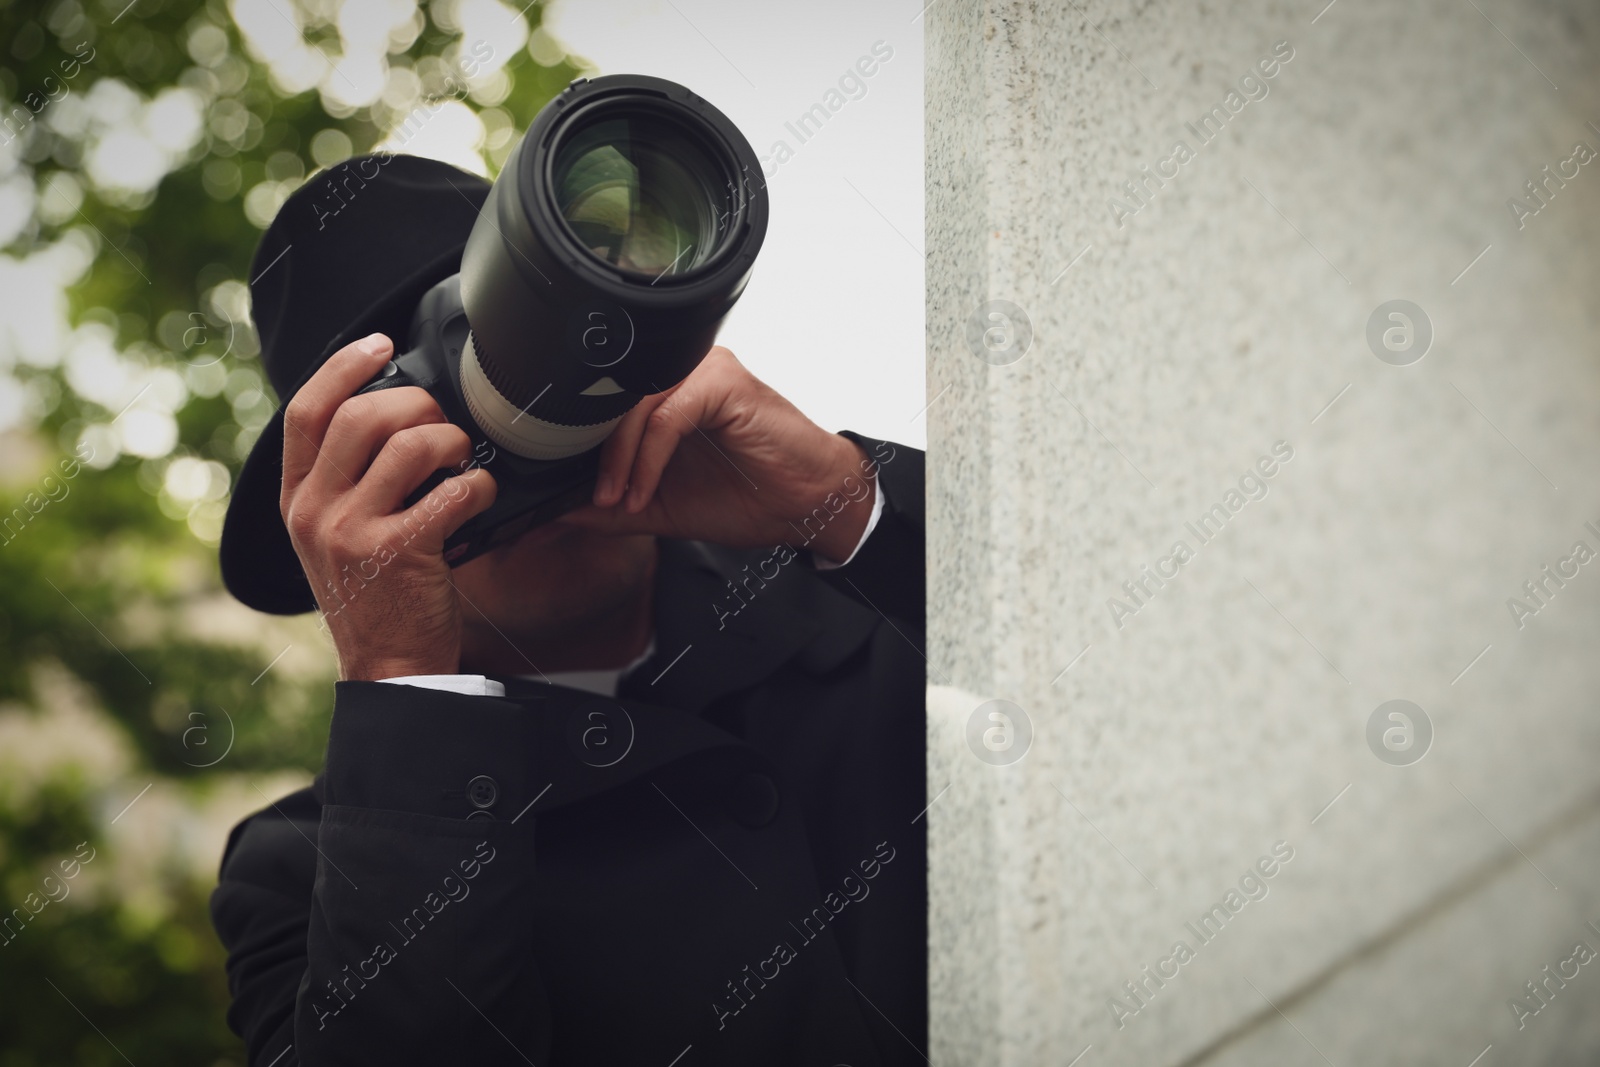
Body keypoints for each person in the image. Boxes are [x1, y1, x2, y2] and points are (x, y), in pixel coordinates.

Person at [208, 152, 927, 1066]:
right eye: (409, 425)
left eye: (515, 357)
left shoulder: (875, 610)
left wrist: (851, 505)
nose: (501, 441)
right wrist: (402, 683)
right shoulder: (302, 874)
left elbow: (1142, 645)